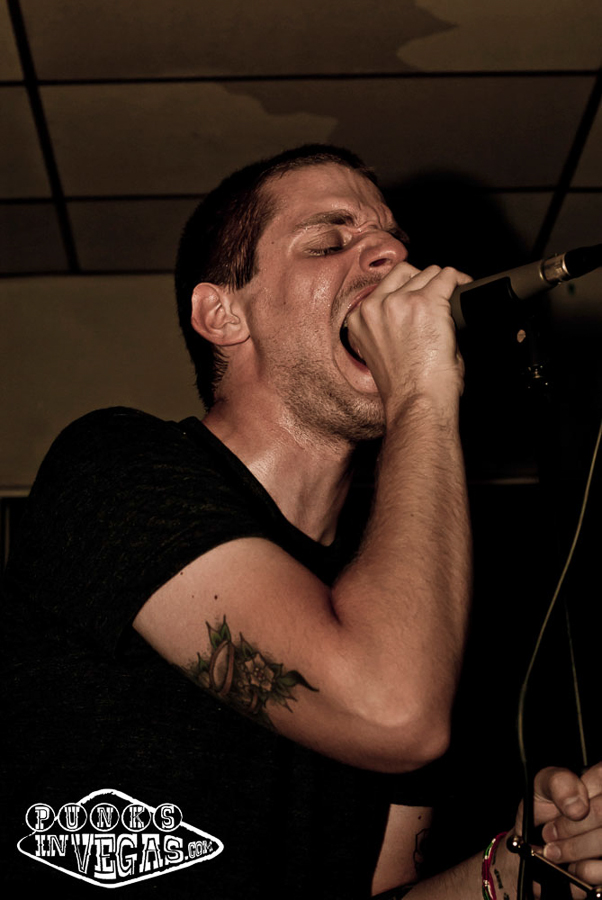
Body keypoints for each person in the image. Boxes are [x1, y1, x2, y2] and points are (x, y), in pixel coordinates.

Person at [2, 145, 600, 899]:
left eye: (394, 240)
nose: (391, 256)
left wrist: (521, 863)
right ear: (222, 314)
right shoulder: (116, 466)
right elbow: (391, 711)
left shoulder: (402, 587)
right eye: (329, 241)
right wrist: (422, 390)